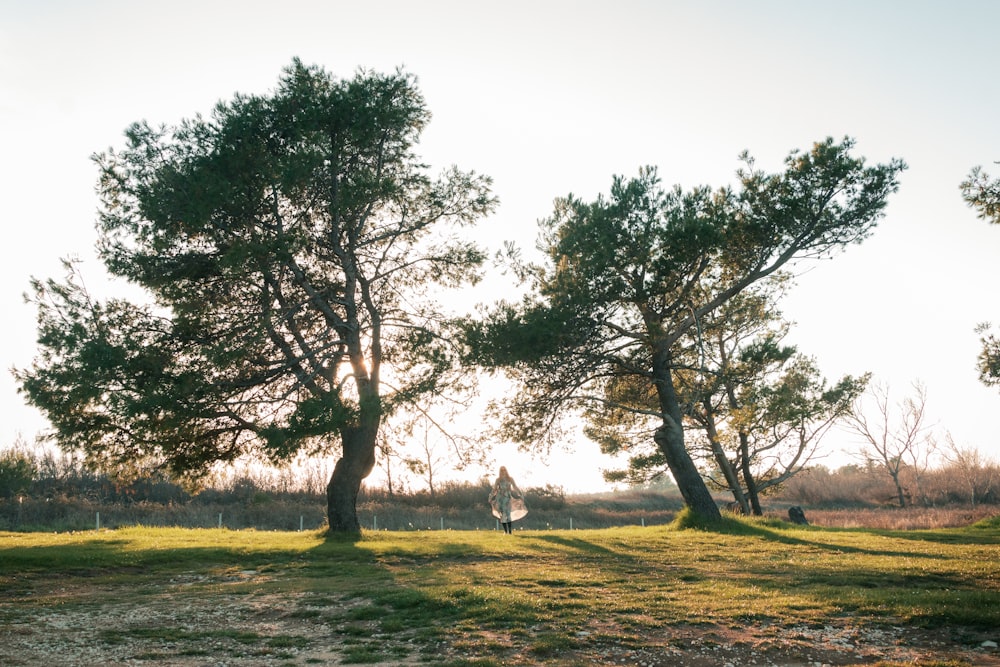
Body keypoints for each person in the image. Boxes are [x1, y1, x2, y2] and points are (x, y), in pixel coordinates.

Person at [488, 466, 527, 533]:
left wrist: (520, 494)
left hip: (507, 498)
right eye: (501, 470)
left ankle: (510, 531)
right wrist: (491, 497)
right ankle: (506, 531)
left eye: (504, 470)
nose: (503, 472)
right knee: (502, 514)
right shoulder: (498, 480)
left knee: (508, 513)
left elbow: (515, 487)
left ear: (506, 471)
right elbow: (494, 489)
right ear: (500, 472)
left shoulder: (510, 479)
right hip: (500, 498)